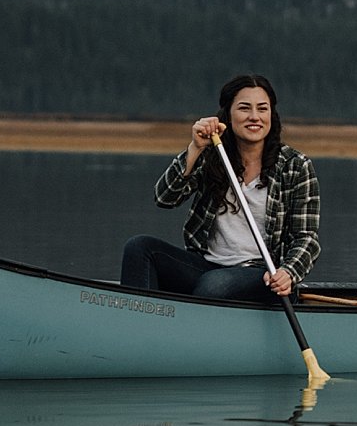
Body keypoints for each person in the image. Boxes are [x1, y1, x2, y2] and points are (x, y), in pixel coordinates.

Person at [121, 74, 320, 302]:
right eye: (244, 108)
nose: (254, 117)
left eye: (262, 109)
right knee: (140, 248)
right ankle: (143, 323)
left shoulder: (295, 166)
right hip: (207, 265)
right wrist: (195, 148)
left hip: (262, 272)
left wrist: (288, 273)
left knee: (214, 285)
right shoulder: (213, 155)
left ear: (271, 116)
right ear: (228, 114)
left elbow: (306, 238)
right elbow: (165, 197)